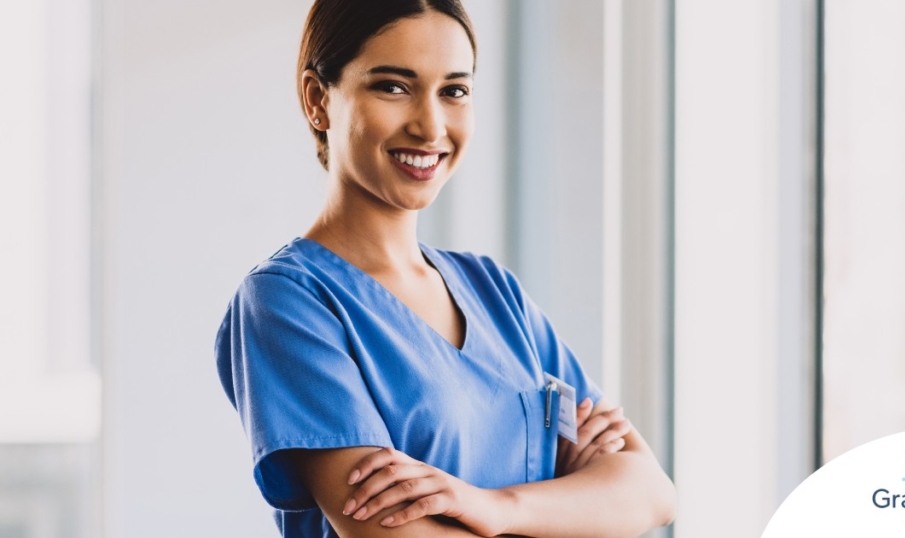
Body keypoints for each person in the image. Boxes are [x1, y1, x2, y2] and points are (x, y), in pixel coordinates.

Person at [215, 1, 677, 536]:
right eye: (393, 86)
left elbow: (651, 491)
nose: (430, 124)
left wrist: (495, 506)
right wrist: (570, 508)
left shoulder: (492, 290)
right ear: (318, 99)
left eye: (454, 91)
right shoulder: (289, 303)